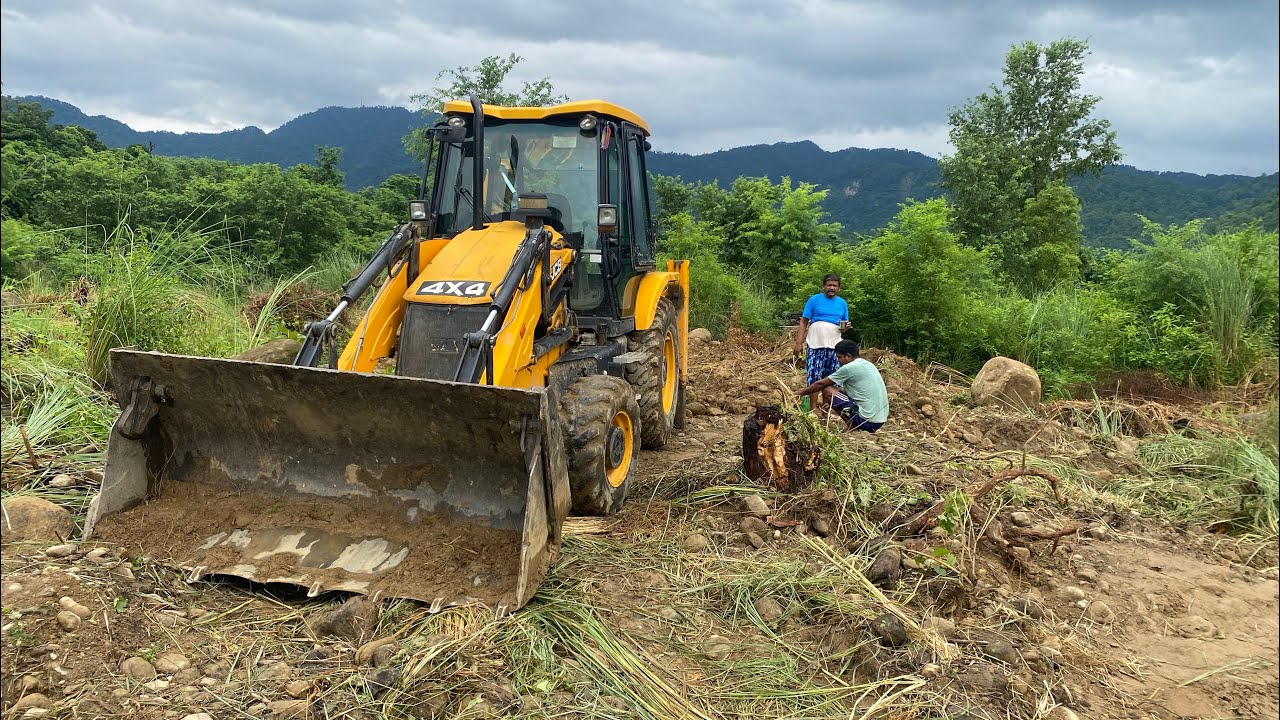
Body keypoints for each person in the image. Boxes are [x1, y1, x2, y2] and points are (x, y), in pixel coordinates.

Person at [795, 340, 889, 433]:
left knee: (828, 390)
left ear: (848, 356)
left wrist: (798, 394)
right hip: (879, 421)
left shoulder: (849, 368)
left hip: (866, 421)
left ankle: (852, 427)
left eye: (839, 357)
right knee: (835, 394)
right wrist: (834, 402)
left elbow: (821, 384)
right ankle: (854, 424)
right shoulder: (867, 364)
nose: (838, 361)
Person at [793, 274, 849, 412]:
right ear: (823, 286)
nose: (831, 288)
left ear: (839, 288)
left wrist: (845, 328)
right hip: (815, 343)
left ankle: (826, 410)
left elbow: (844, 326)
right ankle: (812, 409)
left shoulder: (842, 303)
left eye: (834, 285)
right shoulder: (814, 300)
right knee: (814, 376)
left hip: (834, 346)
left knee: (830, 378)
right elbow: (804, 321)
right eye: (829, 285)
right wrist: (798, 343)